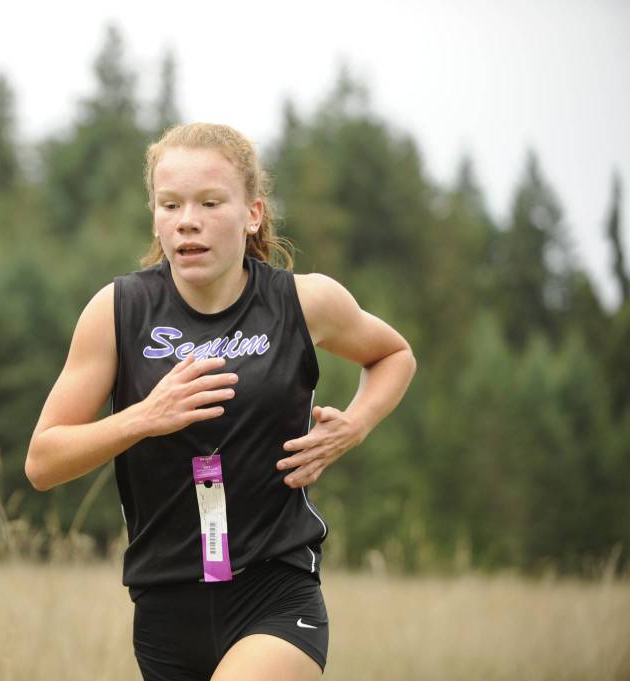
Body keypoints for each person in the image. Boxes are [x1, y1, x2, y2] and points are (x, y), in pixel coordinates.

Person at [25, 122, 416, 680]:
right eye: (170, 204)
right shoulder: (116, 313)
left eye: (210, 202)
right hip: (164, 600)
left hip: (275, 588)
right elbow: (42, 461)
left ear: (252, 212)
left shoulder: (304, 302)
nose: (188, 220)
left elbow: (394, 354)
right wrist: (143, 417)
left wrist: (354, 425)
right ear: (155, 215)